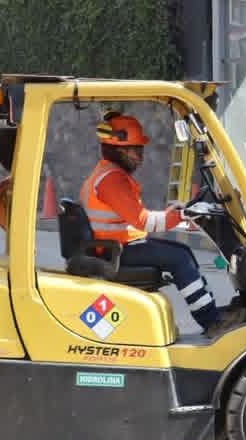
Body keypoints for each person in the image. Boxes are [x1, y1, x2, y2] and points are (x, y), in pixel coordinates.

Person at [81, 111, 231, 334]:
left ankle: (211, 313)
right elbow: (144, 222)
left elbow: (135, 217)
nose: (141, 157)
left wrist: (175, 213)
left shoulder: (108, 173)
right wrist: (181, 215)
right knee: (180, 258)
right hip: (115, 251)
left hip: (116, 246)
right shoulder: (112, 180)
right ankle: (211, 323)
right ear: (119, 149)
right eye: (137, 150)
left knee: (182, 251)